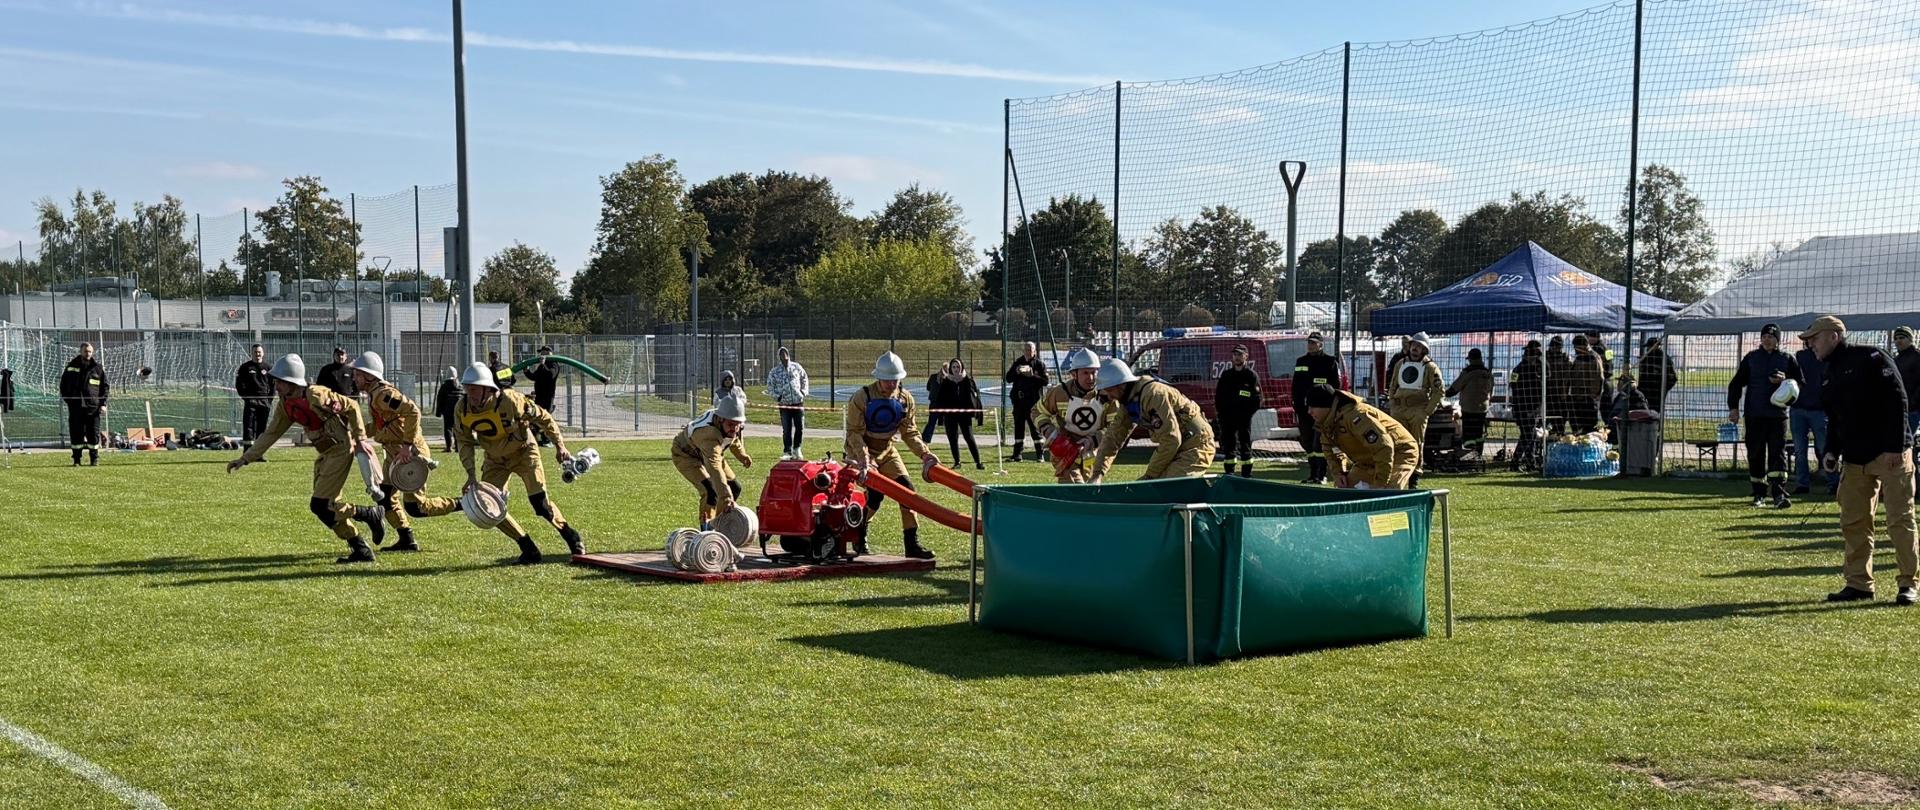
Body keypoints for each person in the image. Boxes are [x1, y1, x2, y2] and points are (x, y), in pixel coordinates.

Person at [224, 354, 387, 563]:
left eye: (280, 381)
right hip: (325, 454)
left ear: (292, 381)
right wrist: (246, 458)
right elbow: (271, 433)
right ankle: (360, 549)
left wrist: (361, 439)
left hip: (339, 451)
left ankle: (368, 514)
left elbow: (352, 407)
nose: (276, 385)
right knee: (326, 510)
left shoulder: (317, 395)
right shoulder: (285, 404)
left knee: (320, 505)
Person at [1800, 316, 1915, 605]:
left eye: (1814, 338)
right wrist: (1830, 453)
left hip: (1891, 454)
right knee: (1853, 521)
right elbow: (1836, 419)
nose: (1809, 344)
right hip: (1854, 458)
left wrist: (1894, 446)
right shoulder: (1828, 373)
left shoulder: (1871, 357)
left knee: (1899, 520)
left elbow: (1898, 399)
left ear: (1833, 336)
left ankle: (1908, 585)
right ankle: (1859, 584)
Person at [448, 361, 585, 564]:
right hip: (495, 459)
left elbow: (543, 417)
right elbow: (464, 442)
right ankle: (527, 547)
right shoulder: (462, 408)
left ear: (488, 388)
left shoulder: (511, 400)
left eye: (474, 389)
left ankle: (570, 535)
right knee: (489, 507)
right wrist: (471, 474)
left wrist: (560, 445)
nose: (470, 394)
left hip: (523, 452)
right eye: (467, 388)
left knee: (540, 504)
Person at [844, 352, 940, 560]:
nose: (890, 384)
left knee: (908, 492)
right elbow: (854, 433)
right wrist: (864, 459)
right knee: (876, 495)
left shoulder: (905, 399)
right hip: (860, 451)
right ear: (878, 377)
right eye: (887, 380)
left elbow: (910, 432)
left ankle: (911, 543)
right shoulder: (862, 397)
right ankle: (859, 530)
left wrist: (925, 455)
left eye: (894, 380)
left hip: (887, 450)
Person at [347, 351, 434, 553]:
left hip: (410, 453)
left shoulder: (384, 394)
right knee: (384, 498)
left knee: (417, 508)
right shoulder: (375, 395)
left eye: (357, 374)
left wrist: (406, 445)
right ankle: (407, 539)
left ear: (369, 376)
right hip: (396, 453)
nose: (354, 378)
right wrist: (355, 435)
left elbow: (413, 411)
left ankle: (462, 504)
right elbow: (380, 425)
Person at [1087, 358, 1216, 484]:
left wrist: (1149, 476)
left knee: (1167, 486)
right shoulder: (1128, 402)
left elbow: (1171, 439)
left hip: (1197, 445)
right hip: (1179, 446)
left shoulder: (1153, 395)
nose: (1109, 397)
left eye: (1110, 390)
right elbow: (1113, 438)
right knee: (1156, 487)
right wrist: (1097, 474)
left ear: (1122, 384)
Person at [1728, 323, 1804, 509]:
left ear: (1778, 339)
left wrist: (1785, 381)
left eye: (1771, 336)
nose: (1767, 339)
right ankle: (1759, 494)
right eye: (1764, 336)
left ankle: (1778, 494)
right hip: (1755, 414)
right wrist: (1733, 408)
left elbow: (1800, 384)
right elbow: (1736, 384)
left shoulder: (1787, 359)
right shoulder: (1752, 358)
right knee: (1755, 453)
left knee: (1777, 454)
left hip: (1778, 416)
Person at [1305, 383, 1419, 490]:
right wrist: (1339, 473)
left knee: (1385, 494)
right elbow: (1330, 449)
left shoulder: (1356, 416)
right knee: (1346, 494)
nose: (1309, 412)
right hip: (1367, 461)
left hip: (1400, 452)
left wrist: (1380, 482)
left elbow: (1384, 447)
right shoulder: (1327, 423)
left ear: (1325, 406)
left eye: (1313, 407)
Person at [670, 394, 753, 527]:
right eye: (731, 424)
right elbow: (715, 469)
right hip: (687, 455)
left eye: (738, 424)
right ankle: (707, 527)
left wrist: (742, 455)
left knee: (735, 487)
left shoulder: (728, 421)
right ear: (720, 420)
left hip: (710, 453)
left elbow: (733, 439)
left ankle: (719, 523)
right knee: (710, 490)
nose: (735, 428)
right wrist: (726, 498)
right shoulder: (709, 435)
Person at [1034, 348, 1107, 484]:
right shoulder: (1059, 393)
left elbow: (1115, 426)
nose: (1091, 378)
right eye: (1085, 373)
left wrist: (1094, 440)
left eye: (1094, 372)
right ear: (1074, 374)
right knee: (1074, 486)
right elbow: (1037, 411)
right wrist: (1048, 430)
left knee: (1088, 488)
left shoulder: (1107, 393)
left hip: (1091, 453)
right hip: (1065, 451)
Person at [1387, 332, 1443, 486]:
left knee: (1416, 442)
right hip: (1399, 409)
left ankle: (1415, 476)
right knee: (1397, 442)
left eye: (1419, 346)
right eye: (1414, 345)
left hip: (1418, 410)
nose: (1415, 349)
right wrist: (1393, 406)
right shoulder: (1400, 363)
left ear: (1425, 349)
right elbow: (1392, 386)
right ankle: (1398, 473)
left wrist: (1427, 411)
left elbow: (1439, 391)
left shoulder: (1430, 367)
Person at [1291, 331, 1343, 484]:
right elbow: (1296, 385)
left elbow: (1336, 387)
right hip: (1303, 408)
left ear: (1321, 345)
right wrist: (1296, 403)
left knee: (1318, 442)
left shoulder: (1330, 362)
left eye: (1314, 343)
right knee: (1306, 441)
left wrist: (1331, 408)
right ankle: (1312, 473)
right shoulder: (1301, 361)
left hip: (1322, 410)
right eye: (1309, 343)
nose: (1311, 345)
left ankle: (1321, 474)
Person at [1790, 335, 1833, 496]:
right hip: (1798, 409)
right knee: (1800, 450)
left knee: (1824, 448)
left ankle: (1833, 482)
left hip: (1819, 409)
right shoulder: (1799, 356)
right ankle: (1802, 484)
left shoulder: (1826, 357)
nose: (1811, 342)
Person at [1212, 345, 1262, 478]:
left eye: (1240, 354)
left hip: (1243, 418)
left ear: (1246, 356)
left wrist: (1246, 414)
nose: (1237, 357)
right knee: (1229, 445)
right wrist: (1221, 414)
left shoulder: (1251, 376)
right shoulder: (1226, 375)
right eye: (1235, 354)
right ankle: (1229, 472)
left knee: (1245, 444)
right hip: (1227, 418)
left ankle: (1246, 473)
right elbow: (1219, 397)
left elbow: (1257, 399)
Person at [58, 341, 109, 467]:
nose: (88, 354)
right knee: (76, 433)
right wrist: (69, 401)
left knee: (93, 434)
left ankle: (94, 459)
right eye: (86, 351)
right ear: (81, 351)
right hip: (76, 407)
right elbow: (63, 386)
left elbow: (105, 388)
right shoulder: (71, 366)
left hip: (93, 407)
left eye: (90, 351)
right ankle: (76, 459)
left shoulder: (97, 368)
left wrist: (103, 404)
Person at [931, 359, 985, 469]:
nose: (956, 369)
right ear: (951, 368)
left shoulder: (967, 380)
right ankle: (957, 462)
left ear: (961, 367)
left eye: (958, 367)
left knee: (969, 437)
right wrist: (941, 415)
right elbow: (940, 398)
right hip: (950, 415)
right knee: (952, 438)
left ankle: (978, 462)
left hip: (964, 414)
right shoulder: (946, 381)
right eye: (954, 367)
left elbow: (974, 396)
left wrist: (976, 412)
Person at [1004, 342, 1048, 462]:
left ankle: (1040, 454)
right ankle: (1017, 454)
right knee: (1019, 427)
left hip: (1033, 402)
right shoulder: (1018, 362)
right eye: (1026, 349)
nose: (1028, 352)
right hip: (1019, 401)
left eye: (1030, 349)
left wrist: (1032, 375)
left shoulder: (1039, 364)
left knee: (1035, 428)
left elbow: (1045, 381)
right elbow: (1008, 378)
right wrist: (1016, 372)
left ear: (1035, 351)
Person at [1446, 348, 1494, 457]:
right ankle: (1478, 455)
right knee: (1479, 433)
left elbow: (1454, 389)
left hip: (1469, 408)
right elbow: (1491, 391)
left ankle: (1468, 456)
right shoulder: (1488, 373)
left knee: (1468, 434)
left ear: (1470, 359)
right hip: (1483, 409)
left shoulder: (1468, 372)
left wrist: (1441, 393)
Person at [764, 346, 809, 460]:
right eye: (781, 354)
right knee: (786, 428)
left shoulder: (796, 367)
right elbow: (770, 386)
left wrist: (803, 392)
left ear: (788, 354)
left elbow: (804, 379)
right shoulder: (775, 372)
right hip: (784, 404)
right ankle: (787, 451)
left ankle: (797, 448)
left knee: (800, 427)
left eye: (785, 353)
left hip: (798, 402)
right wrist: (778, 397)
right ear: (779, 356)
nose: (784, 355)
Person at [1510, 340, 1545, 472]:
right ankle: (1517, 460)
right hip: (1525, 406)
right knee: (1528, 435)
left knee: (1529, 434)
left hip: (1528, 406)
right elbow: (1513, 385)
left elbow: (1512, 384)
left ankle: (1530, 461)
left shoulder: (1536, 368)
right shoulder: (1523, 369)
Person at [1567, 335, 1607, 435]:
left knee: (1589, 429)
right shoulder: (1580, 357)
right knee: (1577, 427)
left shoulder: (1593, 358)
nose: (1575, 350)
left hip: (1587, 400)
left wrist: (1591, 397)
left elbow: (1598, 379)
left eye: (1576, 347)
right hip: (1577, 398)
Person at [1898, 326, 1920, 499]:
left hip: (1912, 410)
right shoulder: (1898, 359)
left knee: (1907, 447)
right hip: (1901, 409)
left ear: (1910, 339)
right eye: (1896, 338)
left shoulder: (1916, 358)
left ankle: (1913, 485)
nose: (1898, 341)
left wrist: (1912, 402)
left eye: (1902, 338)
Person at [235, 343, 273, 445]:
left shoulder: (268, 368)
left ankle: (259, 453)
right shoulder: (245, 367)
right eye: (255, 352)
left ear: (263, 353)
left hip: (264, 402)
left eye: (259, 352)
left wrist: (269, 400)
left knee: (262, 427)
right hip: (251, 401)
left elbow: (273, 385)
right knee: (248, 426)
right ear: (251, 353)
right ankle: (247, 453)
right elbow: (239, 384)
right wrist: (246, 398)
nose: (257, 354)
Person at [524, 346, 560, 446]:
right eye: (541, 353)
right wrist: (526, 371)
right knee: (536, 418)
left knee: (546, 418)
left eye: (543, 353)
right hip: (539, 396)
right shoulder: (542, 365)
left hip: (548, 396)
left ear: (549, 353)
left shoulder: (554, 364)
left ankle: (548, 440)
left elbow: (550, 375)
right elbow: (534, 377)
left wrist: (542, 364)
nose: (541, 355)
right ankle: (539, 439)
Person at [1637, 336, 1679, 413]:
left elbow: (1672, 378)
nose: (1647, 349)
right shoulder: (1646, 359)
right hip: (1645, 391)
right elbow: (1642, 377)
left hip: (1657, 393)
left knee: (1655, 413)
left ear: (1656, 346)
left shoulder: (1665, 359)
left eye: (1649, 347)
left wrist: (1662, 389)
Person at [1545, 336, 1572, 435]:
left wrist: (1564, 391)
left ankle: (1558, 437)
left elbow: (1568, 377)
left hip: (1560, 395)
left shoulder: (1565, 358)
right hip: (1547, 394)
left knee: (1560, 422)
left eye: (1557, 347)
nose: (1555, 349)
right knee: (1545, 422)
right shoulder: (1545, 357)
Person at [433, 366, 461, 452]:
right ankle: (458, 446)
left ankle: (449, 447)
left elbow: (440, 399)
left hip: (447, 410)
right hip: (458, 410)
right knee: (458, 428)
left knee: (448, 428)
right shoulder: (460, 386)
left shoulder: (444, 387)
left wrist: (438, 412)